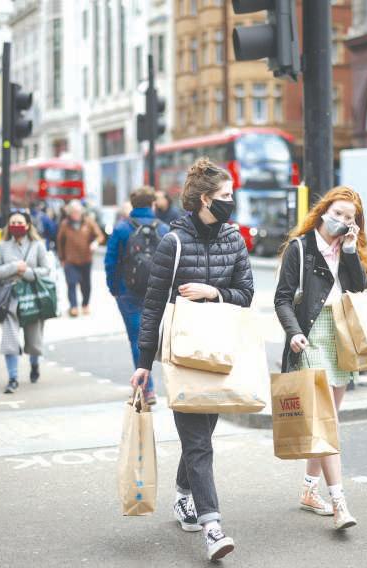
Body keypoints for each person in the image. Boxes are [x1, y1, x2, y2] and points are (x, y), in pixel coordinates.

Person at [129, 157, 252, 561]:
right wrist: (144, 363)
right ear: (203, 199)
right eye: (225, 196)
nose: (231, 202)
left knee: (202, 435)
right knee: (198, 442)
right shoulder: (173, 242)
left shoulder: (234, 238)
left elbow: (246, 294)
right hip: (182, 354)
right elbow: (151, 306)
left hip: (219, 351)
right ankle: (212, 527)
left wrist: (213, 292)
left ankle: (184, 493)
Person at [274, 185, 367, 531]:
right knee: (328, 424)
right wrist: (294, 331)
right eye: (339, 213)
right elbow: (282, 298)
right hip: (311, 337)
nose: (342, 220)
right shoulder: (300, 249)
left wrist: (348, 252)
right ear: (324, 210)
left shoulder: (348, 250)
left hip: (340, 338)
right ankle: (340, 502)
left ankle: (309, 491)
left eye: (350, 217)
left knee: (327, 424)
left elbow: (360, 293)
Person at [105, 186, 169, 405]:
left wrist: (114, 288)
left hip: (127, 291)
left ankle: (147, 389)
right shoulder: (163, 229)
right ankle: (161, 386)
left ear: (132, 205)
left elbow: (110, 262)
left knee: (137, 339)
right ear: (152, 204)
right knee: (158, 339)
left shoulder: (122, 228)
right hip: (157, 291)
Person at [0, 211, 51, 394]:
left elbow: (46, 270)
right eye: (12, 222)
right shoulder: (2, 246)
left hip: (31, 298)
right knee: (10, 340)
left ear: (27, 225)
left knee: (33, 341)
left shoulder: (37, 246)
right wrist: (13, 267)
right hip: (9, 298)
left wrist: (27, 273)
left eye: (19, 222)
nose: (16, 225)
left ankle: (34, 365)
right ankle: (13, 378)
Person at [56, 200, 104, 317]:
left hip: (85, 259)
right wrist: (61, 258)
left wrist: (95, 243)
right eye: (73, 212)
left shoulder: (88, 222)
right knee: (71, 283)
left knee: (85, 284)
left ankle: (85, 304)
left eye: (78, 212)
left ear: (81, 212)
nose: (76, 214)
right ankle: (73, 307)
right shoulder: (65, 224)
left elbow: (100, 236)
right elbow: (60, 241)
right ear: (70, 213)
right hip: (70, 259)